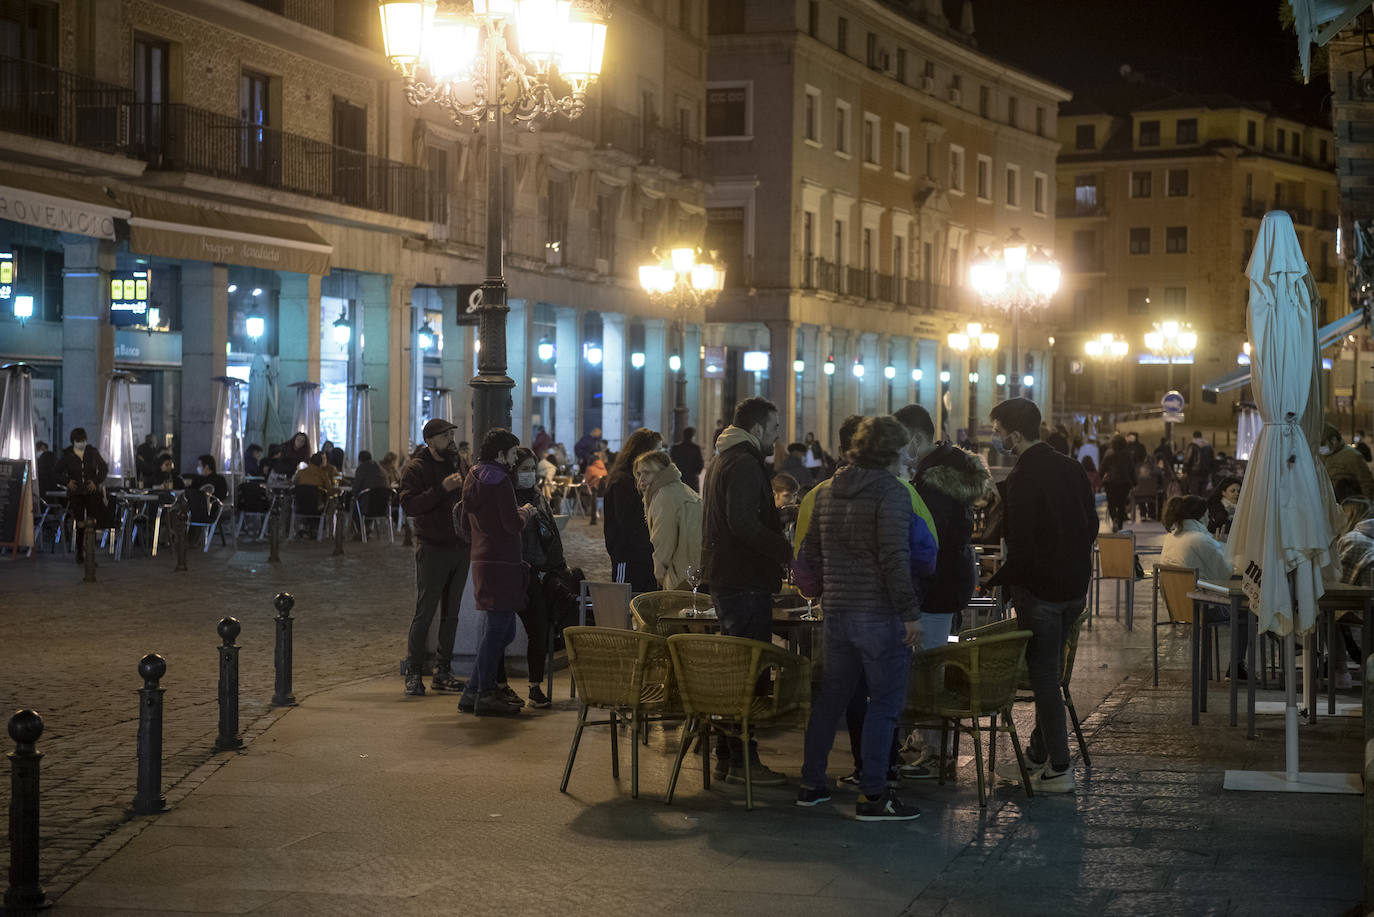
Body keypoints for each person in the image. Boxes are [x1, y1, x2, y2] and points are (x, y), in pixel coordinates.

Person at [793, 415, 923, 821]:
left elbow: (808, 552)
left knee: (831, 699)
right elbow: (894, 560)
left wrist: (824, 590)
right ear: (891, 451)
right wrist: (910, 613)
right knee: (884, 702)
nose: (908, 455)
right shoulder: (892, 493)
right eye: (904, 448)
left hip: (838, 613)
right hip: (879, 616)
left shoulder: (829, 490)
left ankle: (812, 785)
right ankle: (873, 795)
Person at [986, 398, 1097, 794]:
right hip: (1073, 589)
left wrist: (999, 583)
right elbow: (1092, 522)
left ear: (1014, 434)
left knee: (1044, 679)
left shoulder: (1023, 475)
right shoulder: (1070, 467)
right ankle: (1036, 754)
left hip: (1041, 593)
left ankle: (1059, 767)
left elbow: (1021, 543)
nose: (996, 438)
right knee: (1051, 676)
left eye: (998, 431)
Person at [701, 398, 794, 785]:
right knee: (749, 671)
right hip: (743, 579)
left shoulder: (728, 457)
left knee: (740, 667)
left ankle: (729, 755)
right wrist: (783, 549)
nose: (777, 437)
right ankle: (742, 761)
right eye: (774, 429)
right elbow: (741, 522)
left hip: (732, 577)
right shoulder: (743, 462)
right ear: (757, 428)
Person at [900, 403, 990, 778]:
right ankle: (925, 740)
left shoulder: (934, 482)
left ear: (917, 439)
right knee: (928, 660)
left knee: (927, 664)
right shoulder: (950, 470)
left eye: (902, 443)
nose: (898, 451)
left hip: (936, 583)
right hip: (952, 577)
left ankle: (933, 750)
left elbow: (926, 541)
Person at [456, 428, 536, 718]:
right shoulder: (500, 481)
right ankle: (484, 691)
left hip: (482, 558)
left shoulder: (474, 475)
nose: (515, 461)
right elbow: (511, 524)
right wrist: (526, 511)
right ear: (501, 454)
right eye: (513, 454)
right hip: (501, 561)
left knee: (502, 629)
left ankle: (473, 690)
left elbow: (466, 519)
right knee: (498, 629)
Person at [399, 418, 471, 698]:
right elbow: (409, 505)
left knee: (452, 615)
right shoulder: (417, 468)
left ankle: (444, 672)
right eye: (444, 436)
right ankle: (415, 672)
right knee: (425, 612)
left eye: (452, 434)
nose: (450, 440)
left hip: (460, 547)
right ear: (430, 440)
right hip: (432, 548)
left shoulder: (458, 462)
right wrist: (442, 489)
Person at [1161, 494, 1250, 675]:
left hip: (1178, 606)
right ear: (1201, 516)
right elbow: (1225, 572)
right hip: (1203, 607)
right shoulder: (1200, 539)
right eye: (1208, 514)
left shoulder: (1171, 537)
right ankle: (1237, 666)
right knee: (1248, 610)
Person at [511, 446, 565, 708]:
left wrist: (557, 563)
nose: (529, 474)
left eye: (532, 469)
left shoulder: (538, 495)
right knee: (501, 630)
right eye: (524, 469)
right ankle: (498, 684)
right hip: (514, 569)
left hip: (537, 570)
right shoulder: (506, 496)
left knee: (539, 628)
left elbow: (550, 530)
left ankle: (534, 686)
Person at [602, 428, 664, 592]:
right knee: (625, 602)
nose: (661, 456)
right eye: (657, 450)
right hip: (628, 556)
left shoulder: (642, 479)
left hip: (646, 554)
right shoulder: (623, 482)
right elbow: (628, 522)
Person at [633, 449, 703, 591]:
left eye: (647, 473)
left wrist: (660, 576)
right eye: (639, 474)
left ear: (661, 473)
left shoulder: (664, 496)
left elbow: (663, 542)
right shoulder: (679, 489)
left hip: (681, 576)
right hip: (694, 570)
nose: (641, 479)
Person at [57, 428, 108, 564]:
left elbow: (103, 468)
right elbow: (55, 472)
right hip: (76, 493)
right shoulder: (68, 455)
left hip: (91, 493)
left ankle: (90, 553)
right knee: (80, 523)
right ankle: (79, 551)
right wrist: (67, 482)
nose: (82, 443)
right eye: (79, 441)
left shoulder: (92, 452)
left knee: (91, 522)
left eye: (83, 440)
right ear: (73, 441)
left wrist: (96, 481)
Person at [1320, 423, 1374, 501]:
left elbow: (1366, 483)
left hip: (1346, 505)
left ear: (1334, 441)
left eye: (1322, 444)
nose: (1320, 448)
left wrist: (1368, 506)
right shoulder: (1322, 456)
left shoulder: (1352, 456)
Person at [1100, 434, 1135, 533]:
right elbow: (1131, 469)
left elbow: (1102, 468)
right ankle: (1119, 524)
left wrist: (1101, 476)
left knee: (1111, 503)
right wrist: (1134, 482)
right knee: (1121, 504)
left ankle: (1114, 518)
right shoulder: (1128, 454)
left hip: (1110, 482)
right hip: (1124, 482)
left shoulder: (1109, 453)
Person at [669, 426, 705, 492]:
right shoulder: (695, 448)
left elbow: (671, 462)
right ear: (693, 436)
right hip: (692, 479)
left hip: (679, 478)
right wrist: (696, 472)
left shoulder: (675, 448)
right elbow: (700, 464)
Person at [1181, 431, 1216, 497]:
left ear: (1193, 436)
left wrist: (1184, 470)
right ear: (1201, 436)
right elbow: (1212, 460)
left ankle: (1196, 506)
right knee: (1204, 494)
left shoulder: (1192, 445)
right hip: (1205, 474)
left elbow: (1187, 459)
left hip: (1193, 474)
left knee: (1195, 493)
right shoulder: (1209, 446)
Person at [582, 448, 608, 523]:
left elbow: (586, 481)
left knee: (581, 493)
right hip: (603, 491)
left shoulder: (590, 468)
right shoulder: (604, 469)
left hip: (593, 491)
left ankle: (586, 511)